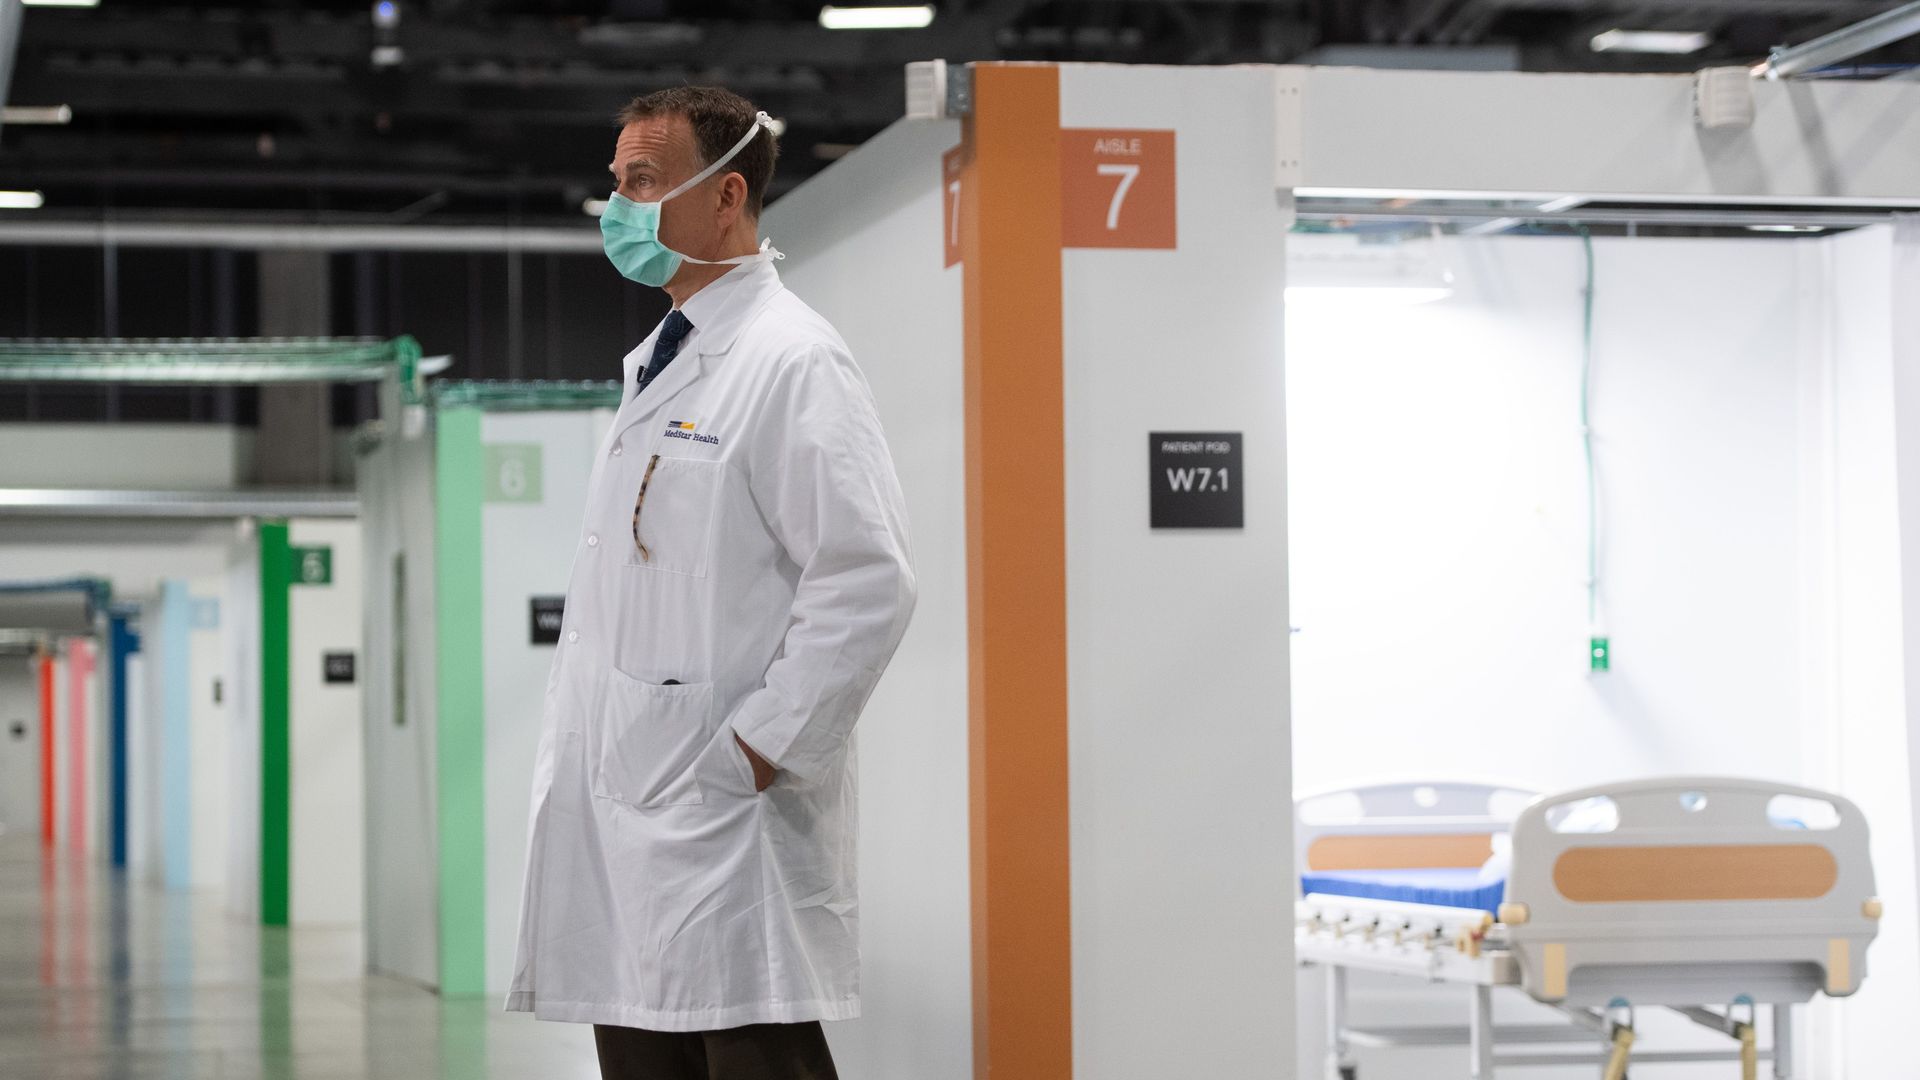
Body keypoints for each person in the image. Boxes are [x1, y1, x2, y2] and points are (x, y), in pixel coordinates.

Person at [505, 85, 917, 1080]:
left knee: (751, 1047)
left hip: (725, 814)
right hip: (635, 804)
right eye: (617, 182)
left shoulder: (791, 359)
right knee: (645, 1043)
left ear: (727, 196)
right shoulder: (664, 360)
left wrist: (759, 749)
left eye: (644, 181)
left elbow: (866, 578)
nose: (619, 207)